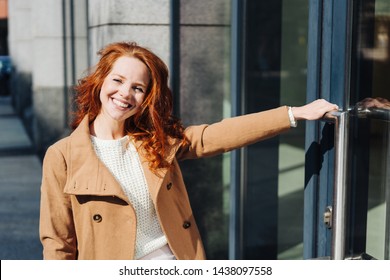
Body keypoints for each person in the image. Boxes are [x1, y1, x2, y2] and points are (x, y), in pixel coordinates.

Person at [39, 41, 339, 260]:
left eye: (138, 88)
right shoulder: (63, 155)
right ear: (99, 81)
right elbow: (58, 241)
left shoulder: (155, 142)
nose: (125, 94)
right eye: (117, 80)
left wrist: (294, 113)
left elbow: (216, 135)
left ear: (146, 98)